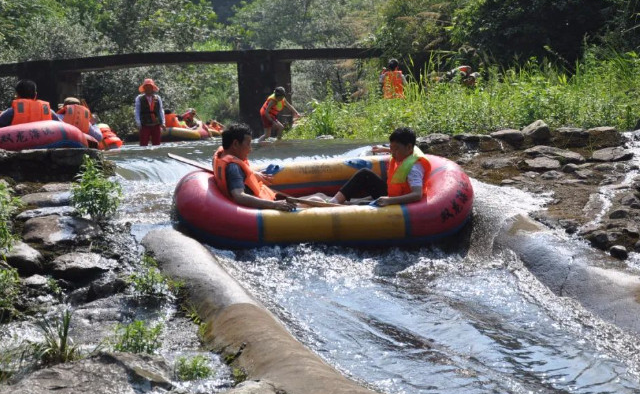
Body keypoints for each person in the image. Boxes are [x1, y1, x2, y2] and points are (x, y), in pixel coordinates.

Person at [329, 127, 430, 207]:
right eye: (391, 149)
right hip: (394, 193)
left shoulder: (414, 168)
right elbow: (400, 150)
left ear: (408, 147)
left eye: (396, 149)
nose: (393, 153)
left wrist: (389, 201)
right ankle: (336, 200)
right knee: (365, 174)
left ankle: (335, 201)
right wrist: (384, 149)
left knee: (364, 174)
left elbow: (417, 194)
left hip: (399, 200)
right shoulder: (407, 152)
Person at [212, 123, 297, 212]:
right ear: (235, 144)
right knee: (309, 201)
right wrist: (274, 205)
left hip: (265, 195)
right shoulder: (233, 167)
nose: (250, 149)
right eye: (248, 144)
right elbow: (239, 196)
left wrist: (254, 174)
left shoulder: (221, 155)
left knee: (299, 199)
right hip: (264, 208)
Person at [134, 78, 165, 146]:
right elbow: (137, 111)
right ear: (144, 88)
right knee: (143, 144)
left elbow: (160, 110)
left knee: (157, 145)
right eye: (146, 87)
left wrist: (163, 122)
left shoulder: (158, 98)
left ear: (152, 88)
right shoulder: (139, 98)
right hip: (144, 125)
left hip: (156, 124)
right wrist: (138, 123)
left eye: (150, 87)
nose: (148, 89)